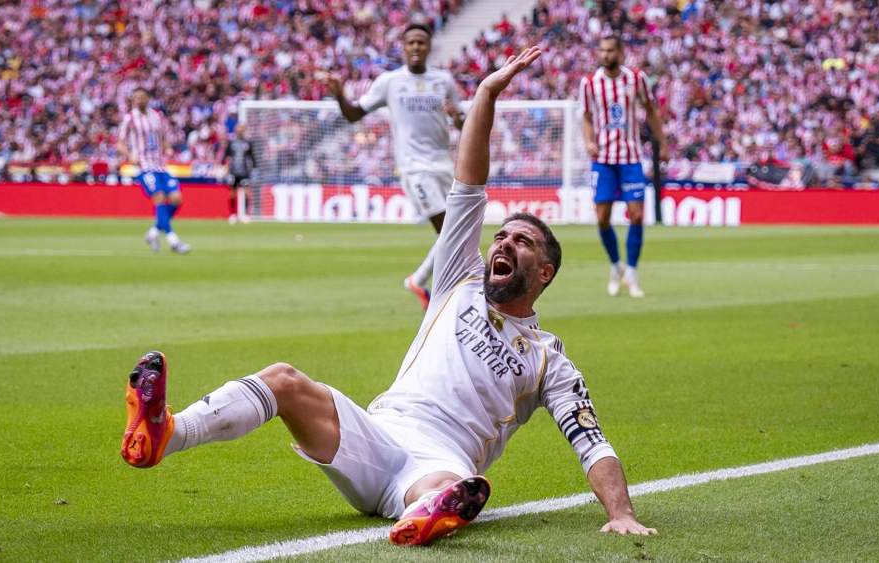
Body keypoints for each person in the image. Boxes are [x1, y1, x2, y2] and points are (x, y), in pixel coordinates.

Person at [120, 47, 656, 547]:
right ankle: (167, 431)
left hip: (439, 459)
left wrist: (621, 512)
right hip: (374, 431)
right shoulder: (459, 278)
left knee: (456, 482)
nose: (504, 242)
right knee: (283, 379)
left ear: (545, 272)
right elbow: (469, 182)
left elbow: (591, 440)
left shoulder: (548, 359)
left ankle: (427, 510)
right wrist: (486, 96)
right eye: (501, 235)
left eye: (523, 241)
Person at [324, 22, 465, 310]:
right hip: (414, 168)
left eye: (421, 43)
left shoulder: (443, 81)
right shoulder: (390, 82)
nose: (416, 47)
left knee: (456, 231)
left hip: (444, 166)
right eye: (411, 42)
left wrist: (456, 117)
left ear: (428, 48)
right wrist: (340, 95)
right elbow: (353, 115)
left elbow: (463, 122)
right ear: (403, 47)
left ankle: (422, 281)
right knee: (450, 230)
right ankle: (431, 283)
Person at [580, 36, 668, 297]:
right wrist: (589, 141)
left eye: (610, 50)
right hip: (603, 159)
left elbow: (651, 111)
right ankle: (615, 264)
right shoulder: (590, 83)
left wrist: (662, 143)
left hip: (630, 157)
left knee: (637, 215)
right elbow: (586, 116)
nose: (605, 55)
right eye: (602, 50)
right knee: (602, 218)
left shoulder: (636, 79)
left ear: (621, 52)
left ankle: (631, 270)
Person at [116, 87, 191, 254]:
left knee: (177, 199)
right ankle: (174, 241)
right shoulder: (130, 118)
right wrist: (129, 155)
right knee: (159, 197)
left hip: (160, 166)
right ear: (133, 101)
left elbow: (162, 138)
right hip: (144, 167)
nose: (139, 101)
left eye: (142, 97)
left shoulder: (156, 116)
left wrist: (168, 148)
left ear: (147, 99)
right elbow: (120, 143)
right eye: (136, 98)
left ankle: (153, 233)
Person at [222, 124, 257, 224]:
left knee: (247, 192)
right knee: (232, 194)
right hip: (233, 172)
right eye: (238, 129)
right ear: (236, 131)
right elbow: (227, 157)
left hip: (245, 172)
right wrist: (226, 170)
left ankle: (245, 214)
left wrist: (254, 170)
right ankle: (233, 214)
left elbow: (252, 157)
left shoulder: (248, 143)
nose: (240, 131)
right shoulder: (231, 143)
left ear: (244, 131)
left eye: (242, 129)